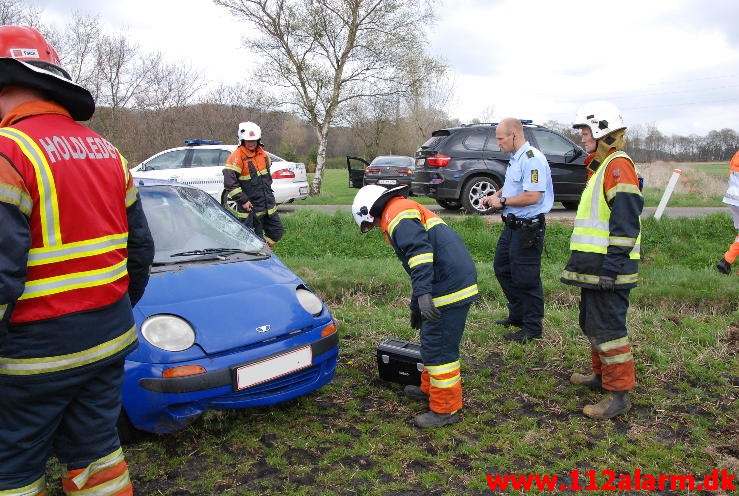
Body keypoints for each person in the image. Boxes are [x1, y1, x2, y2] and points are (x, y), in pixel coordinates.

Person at [0, 25, 154, 495]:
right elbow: (141, 250)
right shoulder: (108, 152)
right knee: (97, 455)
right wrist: (109, 311)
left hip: (31, 357)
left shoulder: (8, 152)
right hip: (107, 342)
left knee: (12, 468)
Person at [352, 184, 478, 428]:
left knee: (440, 351)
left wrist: (423, 294)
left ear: (370, 211)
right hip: (447, 282)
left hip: (448, 287)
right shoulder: (401, 209)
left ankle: (445, 409)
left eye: (371, 224)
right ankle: (429, 389)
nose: (376, 228)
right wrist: (416, 303)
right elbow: (417, 265)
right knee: (432, 343)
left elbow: (420, 254)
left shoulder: (396, 213)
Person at [561, 101, 643, 420]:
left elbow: (626, 224)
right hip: (595, 269)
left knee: (609, 330)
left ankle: (618, 394)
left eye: (585, 130)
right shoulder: (603, 166)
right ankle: (601, 377)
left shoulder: (618, 166)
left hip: (609, 270)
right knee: (592, 323)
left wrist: (611, 268)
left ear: (602, 130)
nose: (582, 136)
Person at [480, 117, 553, 342]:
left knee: (526, 278)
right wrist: (496, 195)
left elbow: (533, 196)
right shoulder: (516, 158)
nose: (498, 143)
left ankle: (532, 328)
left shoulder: (533, 160)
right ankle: (518, 315)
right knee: (502, 268)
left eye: (500, 139)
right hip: (512, 226)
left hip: (527, 229)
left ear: (514, 135)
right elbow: (513, 185)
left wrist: (503, 202)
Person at [223, 121, 284, 248]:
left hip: (268, 204)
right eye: (248, 141)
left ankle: (265, 250)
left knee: (277, 232)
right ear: (242, 140)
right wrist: (243, 200)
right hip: (249, 207)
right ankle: (254, 259)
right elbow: (230, 183)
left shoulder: (264, 155)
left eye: (254, 140)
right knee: (251, 241)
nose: (252, 143)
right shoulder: (236, 157)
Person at [716, 150, 739, 274]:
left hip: (733, 197)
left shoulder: (737, 154)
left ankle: (726, 261)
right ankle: (726, 261)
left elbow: (730, 174)